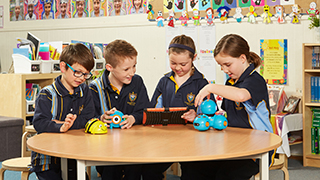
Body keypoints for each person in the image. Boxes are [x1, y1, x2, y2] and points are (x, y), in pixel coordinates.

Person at [188, 34, 274, 180]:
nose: (224, 69)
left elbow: (241, 96)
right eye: (221, 66)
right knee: (195, 168)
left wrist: (211, 87)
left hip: (257, 148)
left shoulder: (255, 80)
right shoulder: (231, 83)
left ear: (242, 58)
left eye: (227, 64)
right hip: (233, 144)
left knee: (226, 176)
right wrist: (200, 117)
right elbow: (227, 115)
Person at [142, 34, 216, 180]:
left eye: (183, 64)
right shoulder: (164, 81)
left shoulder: (201, 83)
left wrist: (197, 116)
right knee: (148, 170)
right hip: (166, 140)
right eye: (173, 63)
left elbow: (211, 115)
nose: (178, 68)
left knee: (194, 174)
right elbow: (153, 110)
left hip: (194, 142)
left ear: (193, 58)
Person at [30, 43, 95, 180]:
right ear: (63, 67)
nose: (82, 78)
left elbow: (89, 118)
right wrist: (60, 126)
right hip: (47, 160)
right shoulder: (47, 94)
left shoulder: (85, 90)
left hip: (73, 155)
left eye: (86, 74)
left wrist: (68, 124)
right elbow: (39, 123)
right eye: (77, 72)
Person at [89, 39, 149, 180]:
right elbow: (89, 118)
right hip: (106, 150)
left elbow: (146, 111)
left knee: (134, 167)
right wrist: (101, 118)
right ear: (110, 67)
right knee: (111, 169)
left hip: (133, 147)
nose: (132, 72)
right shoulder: (95, 88)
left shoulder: (137, 82)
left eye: (134, 66)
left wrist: (133, 118)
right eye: (126, 69)